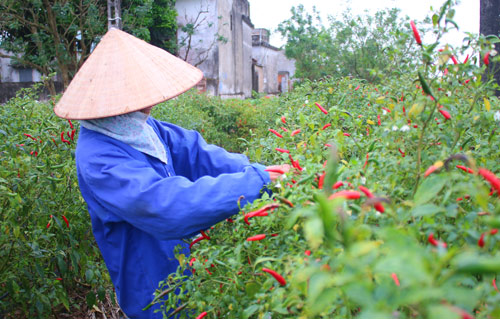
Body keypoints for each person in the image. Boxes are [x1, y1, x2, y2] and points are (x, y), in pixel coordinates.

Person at [53, 28, 289, 318]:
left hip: (182, 269)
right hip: (151, 291)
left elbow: (196, 153)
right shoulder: (99, 159)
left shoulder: (139, 128)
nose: (151, 101)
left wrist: (261, 171)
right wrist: (257, 182)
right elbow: (165, 205)